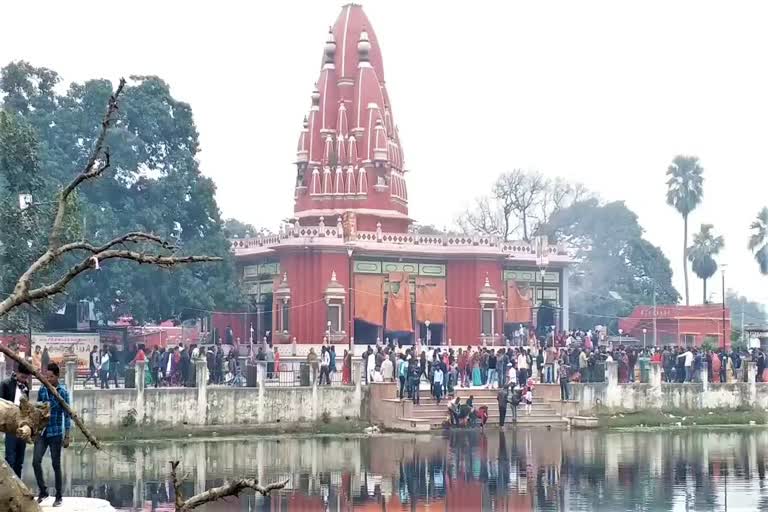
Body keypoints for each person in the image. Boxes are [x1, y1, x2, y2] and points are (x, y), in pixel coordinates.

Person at [33, 363, 71, 507]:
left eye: (51, 377)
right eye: (46, 376)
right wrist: (35, 430)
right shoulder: (42, 390)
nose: (48, 379)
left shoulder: (63, 392)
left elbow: (67, 416)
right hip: (43, 432)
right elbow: (37, 411)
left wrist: (67, 436)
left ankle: (59, 496)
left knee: (56, 464)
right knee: (35, 461)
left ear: (57, 376)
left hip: (56, 433)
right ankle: (43, 491)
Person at [1, 363, 32, 477]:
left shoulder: (25, 387)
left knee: (20, 460)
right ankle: (10, 486)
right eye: (22, 377)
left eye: (26, 378)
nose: (24, 380)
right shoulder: (5, 384)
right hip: (10, 426)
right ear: (17, 373)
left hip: (22, 426)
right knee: (10, 459)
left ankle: (19, 487)